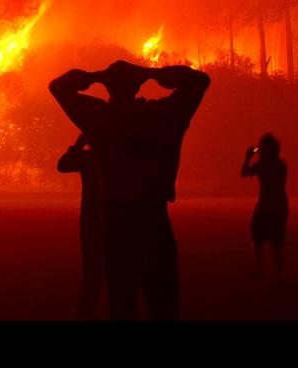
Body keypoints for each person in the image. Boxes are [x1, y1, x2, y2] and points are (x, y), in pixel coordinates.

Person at [49, 60, 210, 320]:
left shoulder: (99, 119)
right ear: (137, 85)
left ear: (108, 88)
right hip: (153, 217)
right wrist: (152, 73)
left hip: (116, 221)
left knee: (122, 302)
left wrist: (96, 74)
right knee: (163, 302)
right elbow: (199, 81)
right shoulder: (164, 117)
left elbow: (58, 87)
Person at [58, 134, 103, 319]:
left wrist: (77, 146)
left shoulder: (88, 158)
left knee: (92, 268)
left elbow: (63, 165)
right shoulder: (120, 156)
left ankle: (86, 311)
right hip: (117, 215)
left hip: (91, 217)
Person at [241, 133, 288, 282]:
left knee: (257, 237)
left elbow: (244, 173)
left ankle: (259, 269)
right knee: (277, 242)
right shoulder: (281, 164)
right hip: (280, 205)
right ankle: (279, 274)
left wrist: (248, 157)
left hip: (266, 205)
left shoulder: (261, 164)